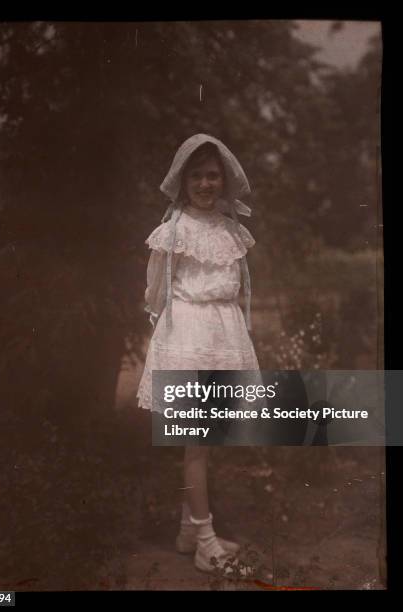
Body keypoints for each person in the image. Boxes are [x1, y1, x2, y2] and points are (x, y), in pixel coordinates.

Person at [136, 134, 260, 577]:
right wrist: (171, 345)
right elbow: (155, 293)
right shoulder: (173, 230)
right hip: (188, 333)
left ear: (223, 181)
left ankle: (191, 529)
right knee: (196, 440)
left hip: (223, 332)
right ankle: (205, 539)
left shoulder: (230, 228)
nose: (206, 184)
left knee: (206, 437)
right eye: (197, 176)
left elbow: (238, 287)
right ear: (182, 181)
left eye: (213, 176)